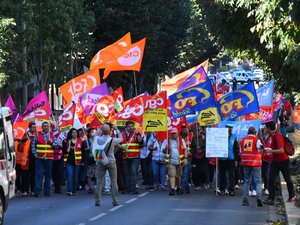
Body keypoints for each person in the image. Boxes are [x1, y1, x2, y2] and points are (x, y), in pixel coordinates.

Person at [263, 121, 297, 205]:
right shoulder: (272, 136)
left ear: (269, 128)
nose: (265, 129)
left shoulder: (277, 136)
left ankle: (292, 195)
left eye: (266, 128)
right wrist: (270, 152)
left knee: (287, 179)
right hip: (275, 161)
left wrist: (270, 151)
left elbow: (281, 150)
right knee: (271, 178)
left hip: (283, 161)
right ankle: (271, 198)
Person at [94, 124, 123, 206]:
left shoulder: (98, 138)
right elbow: (121, 139)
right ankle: (115, 200)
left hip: (101, 160)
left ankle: (97, 200)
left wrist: (100, 129)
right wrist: (117, 130)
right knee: (114, 181)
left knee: (99, 181)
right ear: (110, 131)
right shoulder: (112, 140)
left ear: (102, 132)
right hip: (111, 160)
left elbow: (95, 134)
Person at [31, 121, 58, 197]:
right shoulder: (37, 134)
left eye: (47, 126)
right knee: (39, 174)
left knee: (48, 175)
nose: (46, 127)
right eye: (45, 126)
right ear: (42, 127)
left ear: (49, 127)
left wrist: (52, 142)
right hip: (40, 158)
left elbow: (56, 146)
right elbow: (33, 146)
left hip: (49, 158)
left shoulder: (52, 135)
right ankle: (37, 191)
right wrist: (36, 155)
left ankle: (47, 191)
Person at [239, 126, 264, 207]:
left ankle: (245, 199)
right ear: (255, 132)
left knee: (246, 181)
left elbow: (240, 151)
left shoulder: (243, 140)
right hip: (255, 163)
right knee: (258, 181)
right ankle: (259, 197)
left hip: (245, 163)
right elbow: (260, 148)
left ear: (248, 132)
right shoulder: (257, 140)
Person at [120, 121, 143, 195]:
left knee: (133, 173)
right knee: (126, 173)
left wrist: (138, 134)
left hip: (134, 157)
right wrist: (121, 147)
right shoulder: (122, 134)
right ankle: (127, 189)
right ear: (126, 127)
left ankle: (133, 189)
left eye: (132, 126)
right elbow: (119, 144)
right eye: (129, 126)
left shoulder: (135, 134)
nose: (131, 127)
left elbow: (140, 141)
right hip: (125, 156)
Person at [15, 121, 37, 196]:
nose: (35, 128)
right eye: (33, 127)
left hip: (34, 158)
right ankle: (25, 190)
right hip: (25, 158)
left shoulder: (37, 135)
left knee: (34, 175)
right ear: (29, 128)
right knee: (25, 175)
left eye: (35, 127)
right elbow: (19, 147)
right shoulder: (24, 135)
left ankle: (33, 190)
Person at [218, 124, 239, 196]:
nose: (230, 129)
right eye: (228, 127)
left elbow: (236, 149)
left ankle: (231, 190)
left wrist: (236, 160)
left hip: (231, 158)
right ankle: (222, 189)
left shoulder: (234, 136)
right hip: (222, 158)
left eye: (231, 128)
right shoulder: (221, 136)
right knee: (222, 174)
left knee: (231, 174)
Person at [165, 127, 188, 196]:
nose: (173, 134)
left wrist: (186, 158)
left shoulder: (181, 140)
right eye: (172, 133)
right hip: (171, 161)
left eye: (174, 133)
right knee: (172, 175)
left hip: (180, 161)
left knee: (178, 176)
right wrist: (165, 149)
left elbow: (185, 149)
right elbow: (164, 151)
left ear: (177, 133)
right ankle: (172, 189)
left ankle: (178, 187)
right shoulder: (168, 141)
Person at [63, 128, 83, 196]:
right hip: (69, 162)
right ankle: (69, 190)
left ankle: (74, 190)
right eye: (73, 132)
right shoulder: (67, 141)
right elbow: (64, 152)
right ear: (71, 134)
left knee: (76, 177)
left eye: (75, 132)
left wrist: (83, 161)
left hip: (77, 161)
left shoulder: (81, 141)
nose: (75, 133)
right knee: (70, 175)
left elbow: (83, 152)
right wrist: (67, 150)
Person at [82, 128, 97, 194]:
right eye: (92, 132)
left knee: (97, 174)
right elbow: (83, 151)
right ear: (89, 133)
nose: (94, 133)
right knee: (89, 174)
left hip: (97, 159)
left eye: (95, 132)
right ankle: (90, 187)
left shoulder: (97, 140)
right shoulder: (86, 141)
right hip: (90, 160)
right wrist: (86, 149)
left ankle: (96, 186)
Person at [180, 124, 193, 194]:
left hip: (188, 158)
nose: (184, 129)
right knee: (182, 174)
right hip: (180, 157)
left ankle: (182, 188)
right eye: (182, 127)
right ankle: (186, 186)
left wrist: (192, 152)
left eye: (185, 127)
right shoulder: (179, 136)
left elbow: (194, 146)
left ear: (188, 128)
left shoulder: (192, 135)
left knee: (185, 173)